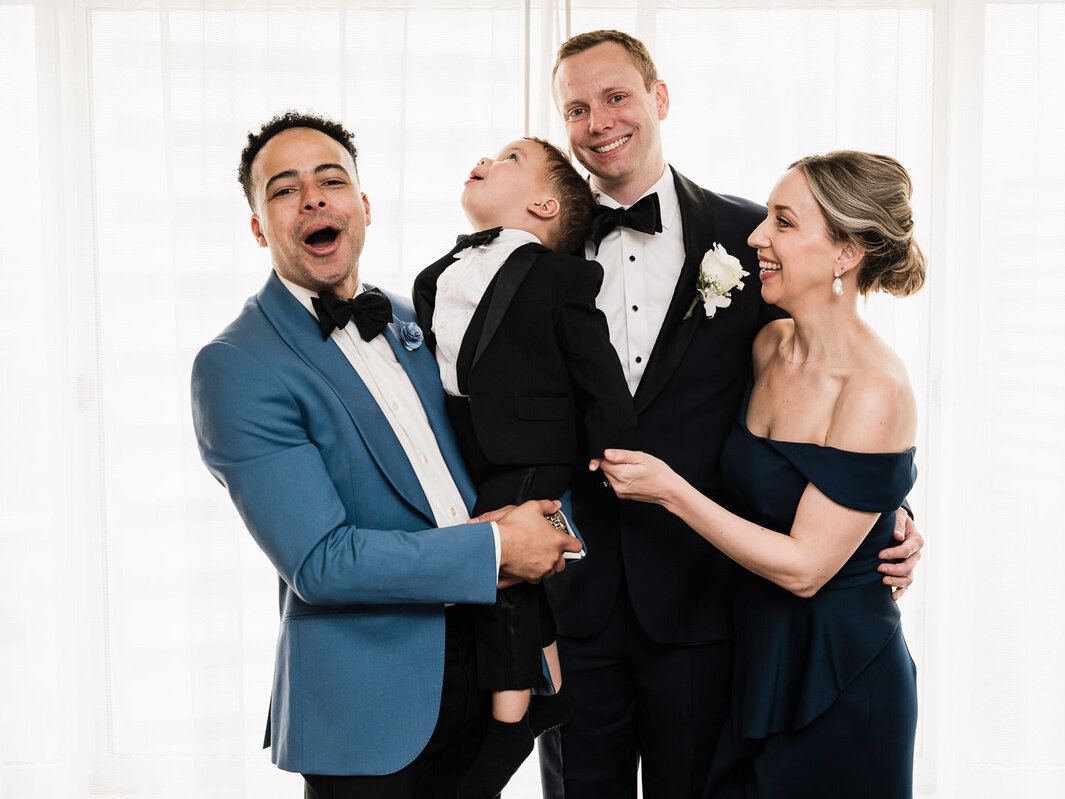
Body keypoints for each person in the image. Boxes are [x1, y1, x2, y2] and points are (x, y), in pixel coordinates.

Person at [539, 30, 926, 799]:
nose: (599, 121)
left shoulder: (748, 242)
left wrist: (893, 514)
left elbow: (847, 392)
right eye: (576, 108)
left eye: (616, 96)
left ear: (659, 98)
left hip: (706, 609)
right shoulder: (534, 249)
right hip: (576, 602)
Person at [190, 111, 581, 799]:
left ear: (363, 206)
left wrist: (548, 521)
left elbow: (512, 435)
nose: (313, 199)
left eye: (331, 180)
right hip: (368, 711)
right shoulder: (235, 364)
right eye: (285, 190)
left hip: (488, 667)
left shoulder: (417, 316)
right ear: (258, 228)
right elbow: (321, 561)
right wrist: (496, 549)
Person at [411, 136, 641, 799]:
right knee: (505, 574)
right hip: (470, 457)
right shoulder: (437, 275)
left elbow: (595, 367)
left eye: (510, 158)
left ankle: (509, 727)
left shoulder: (559, 276)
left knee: (502, 571)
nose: (486, 159)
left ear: (543, 205)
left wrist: (612, 446)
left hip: (536, 450)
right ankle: (551, 694)